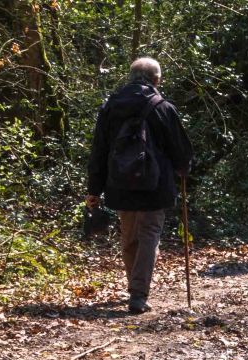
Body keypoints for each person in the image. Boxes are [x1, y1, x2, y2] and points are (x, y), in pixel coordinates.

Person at [86, 57, 194, 314]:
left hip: (119, 184)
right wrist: (183, 168)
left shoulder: (111, 107)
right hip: (155, 186)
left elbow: (99, 150)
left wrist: (94, 189)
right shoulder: (162, 107)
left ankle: (134, 288)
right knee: (148, 236)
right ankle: (138, 293)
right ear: (156, 79)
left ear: (130, 77)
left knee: (130, 236)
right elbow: (181, 150)